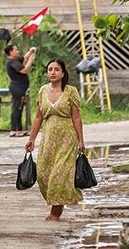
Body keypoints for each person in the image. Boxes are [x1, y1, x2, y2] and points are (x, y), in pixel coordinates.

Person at [25, 59, 85, 221]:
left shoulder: (71, 91)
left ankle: (55, 211)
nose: (52, 72)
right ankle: (59, 199)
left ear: (63, 73)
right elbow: (38, 117)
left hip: (67, 138)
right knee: (43, 174)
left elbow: (77, 117)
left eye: (56, 69)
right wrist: (31, 139)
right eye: (50, 69)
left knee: (60, 173)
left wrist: (81, 141)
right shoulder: (43, 91)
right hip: (48, 139)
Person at [4, 44, 36, 137]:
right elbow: (25, 70)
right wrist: (31, 60)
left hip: (20, 87)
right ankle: (14, 130)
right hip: (17, 87)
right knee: (16, 108)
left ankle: (19, 129)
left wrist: (30, 52)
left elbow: (23, 58)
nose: (17, 51)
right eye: (16, 50)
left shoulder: (15, 60)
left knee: (19, 107)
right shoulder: (11, 62)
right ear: (11, 52)